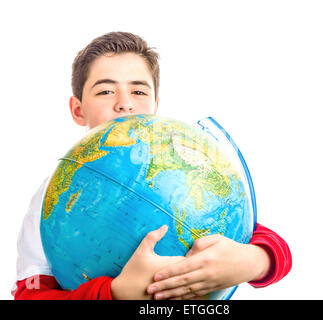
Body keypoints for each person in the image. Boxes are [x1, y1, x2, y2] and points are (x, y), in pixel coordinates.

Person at [13, 32, 292, 300]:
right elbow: (29, 293)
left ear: (155, 106)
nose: (125, 104)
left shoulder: (180, 166)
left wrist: (255, 261)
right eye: (106, 91)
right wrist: (115, 294)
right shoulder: (53, 196)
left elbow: (267, 244)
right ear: (78, 109)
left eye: (138, 90)